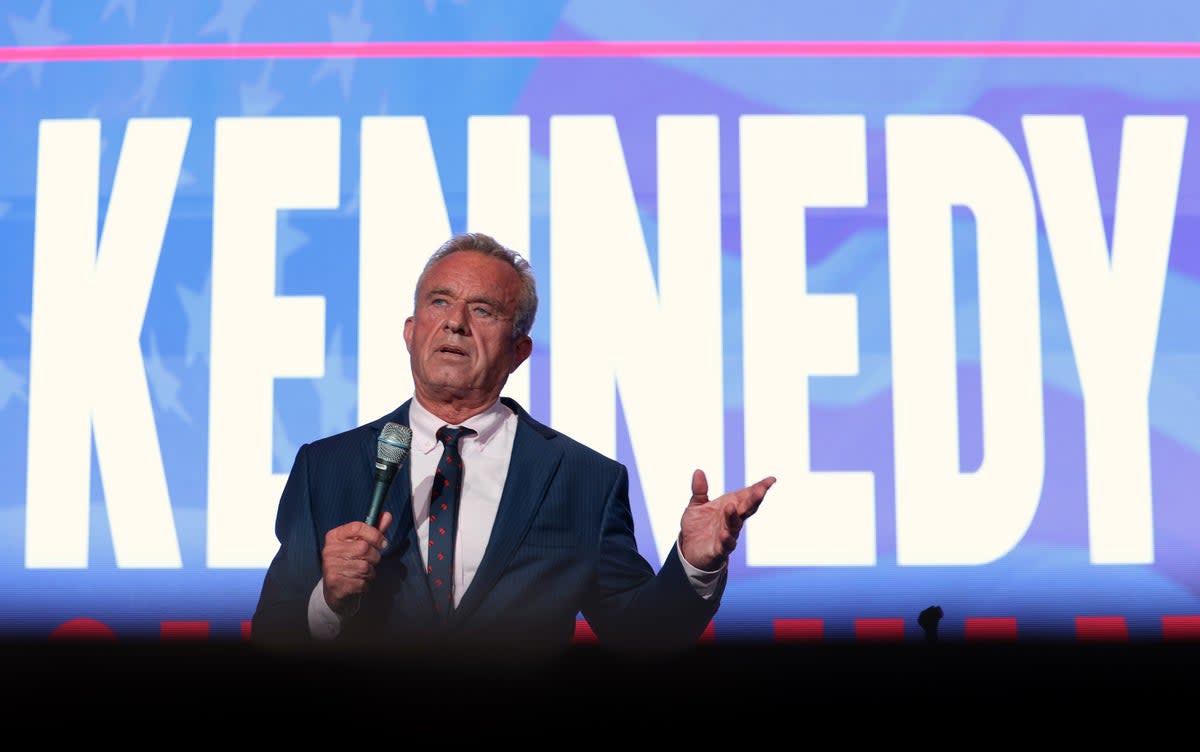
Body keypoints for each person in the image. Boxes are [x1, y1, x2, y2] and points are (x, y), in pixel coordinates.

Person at [250, 232, 776, 665]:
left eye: (482, 310)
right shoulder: (328, 467)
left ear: (519, 349)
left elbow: (643, 632)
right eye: (439, 302)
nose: (454, 321)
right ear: (411, 332)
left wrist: (693, 564)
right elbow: (272, 634)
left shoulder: (581, 479)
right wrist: (328, 604)